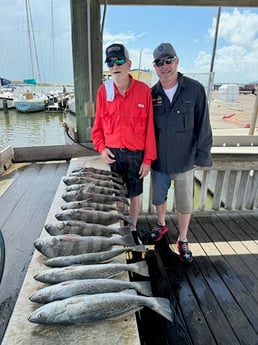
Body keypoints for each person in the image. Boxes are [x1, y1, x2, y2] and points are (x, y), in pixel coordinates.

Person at [150, 42, 212, 263]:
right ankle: (161, 224)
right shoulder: (151, 94)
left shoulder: (195, 89)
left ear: (176, 61)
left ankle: (183, 238)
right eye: (159, 62)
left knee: (185, 203)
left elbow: (203, 124)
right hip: (158, 162)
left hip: (185, 161)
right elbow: (145, 129)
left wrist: (202, 156)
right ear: (154, 67)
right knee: (158, 197)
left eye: (168, 60)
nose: (164, 66)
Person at [92, 43, 157, 244]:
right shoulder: (103, 91)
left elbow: (149, 128)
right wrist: (101, 149)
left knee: (135, 194)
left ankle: (134, 227)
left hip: (136, 154)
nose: (115, 65)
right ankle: (122, 228)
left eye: (119, 61)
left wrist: (148, 160)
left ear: (128, 63)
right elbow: (98, 127)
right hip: (113, 154)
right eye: (110, 62)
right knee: (118, 197)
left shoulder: (143, 91)